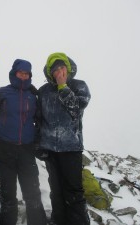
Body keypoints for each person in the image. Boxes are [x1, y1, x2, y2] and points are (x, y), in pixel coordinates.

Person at [36, 52, 91, 225]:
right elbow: (38, 119)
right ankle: (57, 221)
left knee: (73, 192)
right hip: (50, 151)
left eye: (62, 67)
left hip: (71, 148)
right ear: (49, 73)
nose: (59, 72)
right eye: (55, 69)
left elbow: (76, 108)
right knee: (56, 191)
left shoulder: (78, 86)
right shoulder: (43, 91)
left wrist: (63, 86)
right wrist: (39, 145)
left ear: (68, 68)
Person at [0, 59, 47, 225]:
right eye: (20, 73)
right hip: (4, 149)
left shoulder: (33, 95)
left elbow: (40, 120)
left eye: (26, 74)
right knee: (8, 193)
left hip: (26, 150)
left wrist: (38, 142)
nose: (23, 76)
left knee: (32, 192)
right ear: (14, 73)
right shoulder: (3, 93)